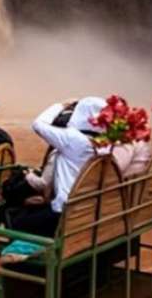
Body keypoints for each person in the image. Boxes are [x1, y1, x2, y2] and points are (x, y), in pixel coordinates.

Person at [7, 97, 108, 238]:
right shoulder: (105, 144)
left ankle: (22, 257)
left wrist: (61, 105)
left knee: (17, 222)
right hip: (87, 209)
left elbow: (38, 125)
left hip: (64, 212)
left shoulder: (74, 139)